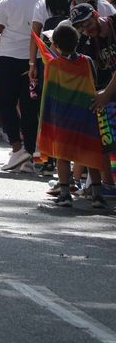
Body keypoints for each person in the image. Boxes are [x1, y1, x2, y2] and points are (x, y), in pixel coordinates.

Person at [0, 0, 46, 172]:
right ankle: (27, 153)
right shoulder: (49, 2)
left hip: (8, 58)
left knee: (5, 103)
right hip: (35, 61)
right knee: (30, 108)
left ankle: (18, 148)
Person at [41, 23, 108, 209]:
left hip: (63, 119)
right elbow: (92, 83)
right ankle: (96, 195)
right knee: (89, 154)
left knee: (63, 156)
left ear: (55, 44)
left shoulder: (53, 65)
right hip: (86, 116)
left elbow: (50, 93)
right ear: (77, 42)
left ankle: (64, 194)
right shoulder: (87, 61)